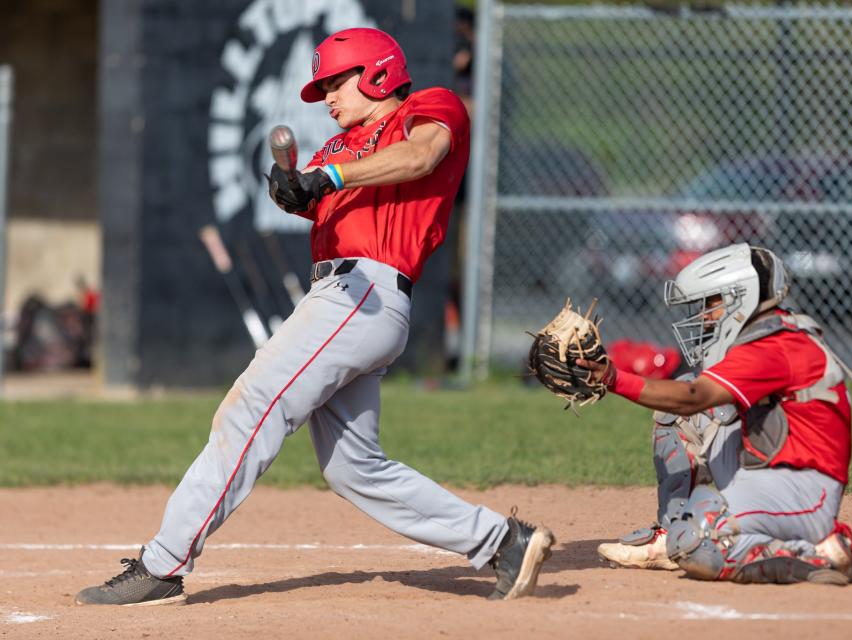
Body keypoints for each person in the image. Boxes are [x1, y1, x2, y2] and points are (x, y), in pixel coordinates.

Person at [75, 27, 554, 606]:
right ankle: (503, 542)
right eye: (322, 85)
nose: (326, 96)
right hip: (341, 296)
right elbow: (324, 196)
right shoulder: (336, 147)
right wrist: (299, 194)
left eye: (335, 81)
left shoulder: (428, 108)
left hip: (364, 292)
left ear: (377, 73)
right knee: (354, 469)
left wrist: (328, 178)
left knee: (251, 407)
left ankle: (163, 563)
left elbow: (420, 155)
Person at [579, 243, 852, 584]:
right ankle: (674, 532)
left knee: (698, 544)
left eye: (712, 302)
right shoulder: (767, 336)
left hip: (803, 491)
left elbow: (693, 397)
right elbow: (690, 400)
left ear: (741, 297)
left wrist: (612, 378)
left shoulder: (775, 346)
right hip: (773, 474)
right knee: (681, 416)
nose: (705, 315)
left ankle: (816, 551)